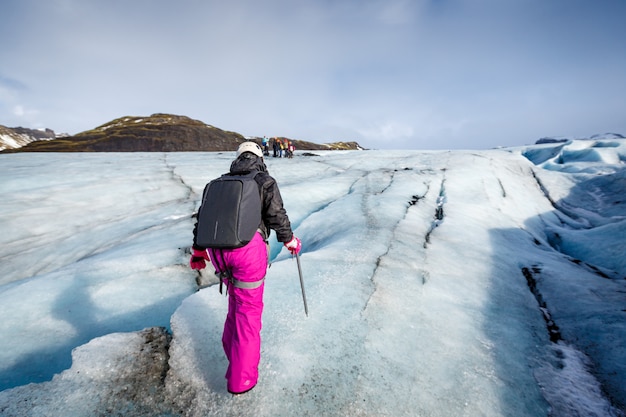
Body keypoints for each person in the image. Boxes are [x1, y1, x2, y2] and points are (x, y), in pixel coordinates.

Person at [190, 141, 301, 395]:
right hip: (247, 253)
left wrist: (198, 251)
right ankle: (242, 381)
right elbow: (276, 214)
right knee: (248, 314)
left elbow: (203, 219)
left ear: (237, 159)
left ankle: (234, 357)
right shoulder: (264, 180)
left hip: (218, 253)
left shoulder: (216, 184)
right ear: (260, 158)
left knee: (236, 306)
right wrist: (289, 240)